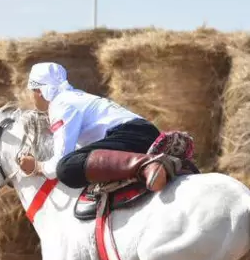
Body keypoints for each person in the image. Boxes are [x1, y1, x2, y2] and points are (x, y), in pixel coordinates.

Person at [17, 61, 180, 191]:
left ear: (39, 91)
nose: (32, 97)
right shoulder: (72, 97)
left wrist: (38, 167)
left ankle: (146, 164)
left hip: (129, 134)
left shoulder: (60, 104)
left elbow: (60, 160)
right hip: (140, 132)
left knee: (66, 167)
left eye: (32, 91)